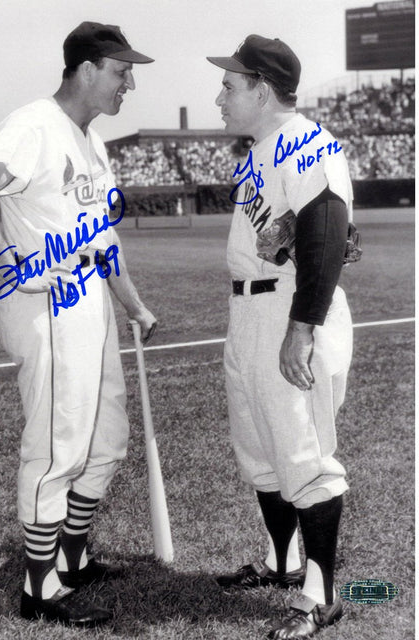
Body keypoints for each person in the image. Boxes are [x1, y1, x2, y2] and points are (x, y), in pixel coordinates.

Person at [0, 21, 157, 628]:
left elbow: (104, 236)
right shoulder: (35, 124)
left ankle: (72, 556)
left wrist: (134, 304)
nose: (130, 84)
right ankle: (39, 589)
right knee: (56, 446)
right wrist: (8, 260)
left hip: (89, 301)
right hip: (45, 306)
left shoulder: (91, 141)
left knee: (107, 438)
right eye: (122, 71)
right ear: (87, 69)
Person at [206, 35, 354, 639]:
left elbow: (325, 231)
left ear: (262, 89)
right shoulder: (263, 151)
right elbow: (298, 237)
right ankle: (284, 562)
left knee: (304, 458)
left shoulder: (306, 146)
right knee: (262, 453)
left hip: (289, 317)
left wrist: (301, 331)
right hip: (251, 312)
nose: (220, 96)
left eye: (230, 85)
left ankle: (322, 596)